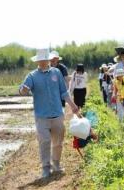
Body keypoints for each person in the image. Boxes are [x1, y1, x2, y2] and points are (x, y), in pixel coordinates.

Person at [19, 49, 80, 178]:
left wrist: (73, 106)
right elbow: (23, 90)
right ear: (37, 61)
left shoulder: (56, 73)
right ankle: (45, 167)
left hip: (57, 114)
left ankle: (56, 164)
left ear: (48, 60)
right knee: (44, 141)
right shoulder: (32, 76)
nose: (43, 62)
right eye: (40, 60)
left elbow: (64, 92)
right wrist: (23, 90)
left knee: (58, 142)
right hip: (41, 116)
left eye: (45, 60)